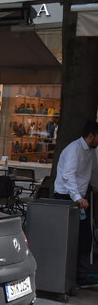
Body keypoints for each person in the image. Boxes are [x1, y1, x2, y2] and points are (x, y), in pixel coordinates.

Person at [54, 121, 98, 288]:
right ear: (91, 135)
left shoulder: (91, 152)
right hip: (66, 197)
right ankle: (69, 274)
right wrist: (78, 197)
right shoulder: (74, 149)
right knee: (69, 238)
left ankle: (80, 273)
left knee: (84, 237)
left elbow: (93, 172)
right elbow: (68, 175)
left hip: (80, 198)